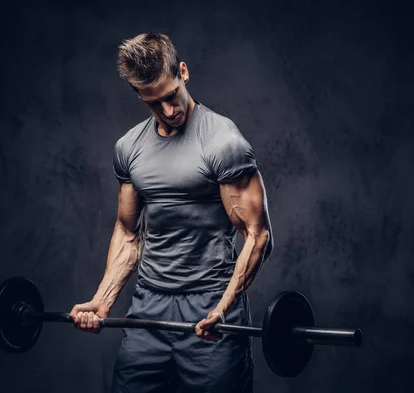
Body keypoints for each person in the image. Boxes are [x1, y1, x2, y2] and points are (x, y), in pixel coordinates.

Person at [69, 32, 274, 393]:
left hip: (210, 303)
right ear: (139, 97)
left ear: (183, 72)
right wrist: (103, 299)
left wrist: (224, 308)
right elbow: (128, 232)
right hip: (148, 309)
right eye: (153, 103)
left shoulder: (223, 142)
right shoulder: (129, 147)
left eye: (171, 96)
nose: (168, 110)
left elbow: (258, 236)